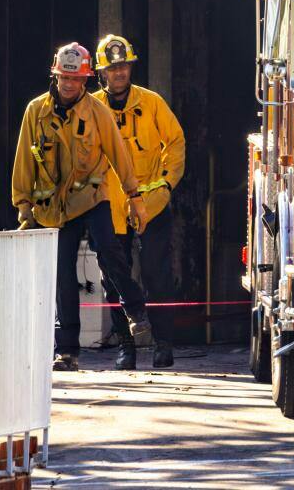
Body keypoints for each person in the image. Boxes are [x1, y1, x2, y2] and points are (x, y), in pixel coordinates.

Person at [12, 42, 152, 372]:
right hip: (55, 208)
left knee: (110, 251)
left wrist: (135, 198)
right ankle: (68, 351)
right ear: (55, 75)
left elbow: (119, 155)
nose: (68, 84)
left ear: (86, 80)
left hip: (92, 196)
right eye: (63, 78)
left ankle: (136, 310)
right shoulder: (36, 112)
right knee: (62, 275)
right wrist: (23, 205)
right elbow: (25, 159)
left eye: (75, 80)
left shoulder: (96, 112)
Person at [93, 33, 187, 370]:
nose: (119, 73)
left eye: (124, 66)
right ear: (102, 72)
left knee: (156, 274)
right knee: (113, 279)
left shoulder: (151, 103)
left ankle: (163, 344)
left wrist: (165, 184)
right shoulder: (92, 108)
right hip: (109, 206)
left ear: (131, 67)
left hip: (151, 202)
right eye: (112, 67)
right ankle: (126, 348)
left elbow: (174, 142)